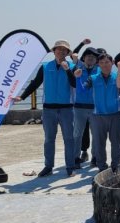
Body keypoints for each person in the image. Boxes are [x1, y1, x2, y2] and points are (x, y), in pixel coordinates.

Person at [13, 40, 77, 177]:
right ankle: (48, 166)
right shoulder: (45, 66)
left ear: (67, 53)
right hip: (49, 109)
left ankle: (70, 167)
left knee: (69, 138)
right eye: (58, 49)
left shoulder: (72, 66)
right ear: (54, 51)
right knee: (49, 139)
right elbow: (35, 83)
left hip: (67, 108)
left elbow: (75, 84)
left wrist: (67, 70)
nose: (61, 52)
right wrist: (22, 97)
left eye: (64, 50)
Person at [78, 52, 120, 171]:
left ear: (112, 63)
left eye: (107, 62)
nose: (104, 65)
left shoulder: (117, 76)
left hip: (115, 114)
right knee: (99, 144)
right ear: (98, 64)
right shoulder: (93, 78)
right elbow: (82, 90)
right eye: (101, 63)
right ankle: (102, 167)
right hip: (98, 115)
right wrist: (78, 78)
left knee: (116, 143)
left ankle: (116, 166)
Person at [71, 46, 99, 167]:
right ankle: (75, 157)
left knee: (96, 134)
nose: (91, 59)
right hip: (79, 107)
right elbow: (73, 56)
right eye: (88, 57)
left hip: (94, 107)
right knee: (77, 133)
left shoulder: (99, 70)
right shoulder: (77, 68)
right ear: (84, 58)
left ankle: (95, 157)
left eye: (93, 57)